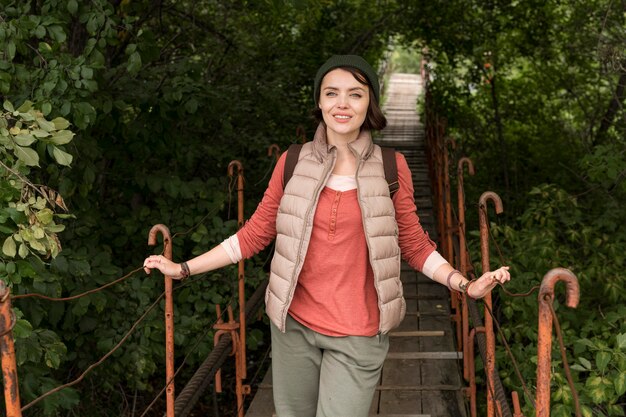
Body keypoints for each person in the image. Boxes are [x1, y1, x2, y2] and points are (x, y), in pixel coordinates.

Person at [143, 55, 511, 417]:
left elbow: (413, 245)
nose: (343, 103)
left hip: (360, 333)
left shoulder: (390, 167)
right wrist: (184, 269)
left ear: (370, 103)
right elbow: (254, 235)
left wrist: (464, 285)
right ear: (319, 101)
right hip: (294, 328)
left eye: (356, 93)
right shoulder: (291, 162)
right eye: (332, 93)